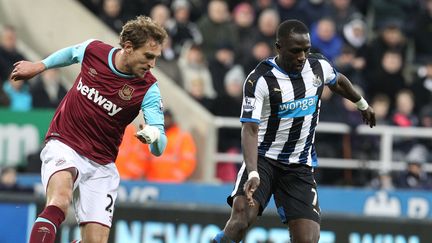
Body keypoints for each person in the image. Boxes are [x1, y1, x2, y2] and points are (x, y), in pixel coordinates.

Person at [212, 19, 375, 243]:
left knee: (308, 240)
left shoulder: (318, 67)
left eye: (306, 50)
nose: (302, 57)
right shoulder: (259, 79)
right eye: (295, 51)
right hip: (263, 160)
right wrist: (252, 172)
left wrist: (362, 104)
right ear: (279, 47)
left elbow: (338, 81)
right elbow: (250, 129)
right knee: (240, 221)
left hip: (299, 165)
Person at [10, 16, 168, 243]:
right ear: (128, 48)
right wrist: (39, 66)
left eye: (156, 58)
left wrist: (153, 135)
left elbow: (159, 147)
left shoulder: (148, 89)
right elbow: (72, 53)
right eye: (148, 56)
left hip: (102, 163)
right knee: (60, 199)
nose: (152, 64)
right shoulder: (95, 51)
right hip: (65, 142)